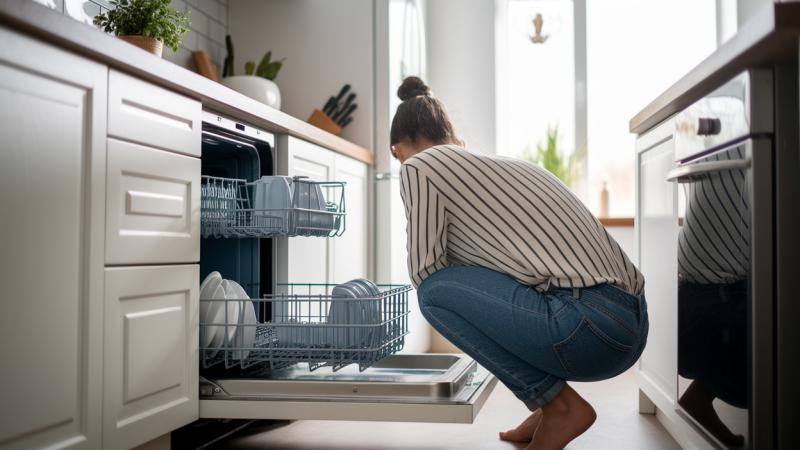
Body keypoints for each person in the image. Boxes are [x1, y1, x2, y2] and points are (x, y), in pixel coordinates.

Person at [390, 77, 649, 450]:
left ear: (399, 151)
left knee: (434, 294)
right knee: (509, 288)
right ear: (456, 140)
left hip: (589, 330)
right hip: (627, 328)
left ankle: (559, 407)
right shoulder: (499, 166)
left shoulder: (419, 165)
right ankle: (549, 407)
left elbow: (424, 272)